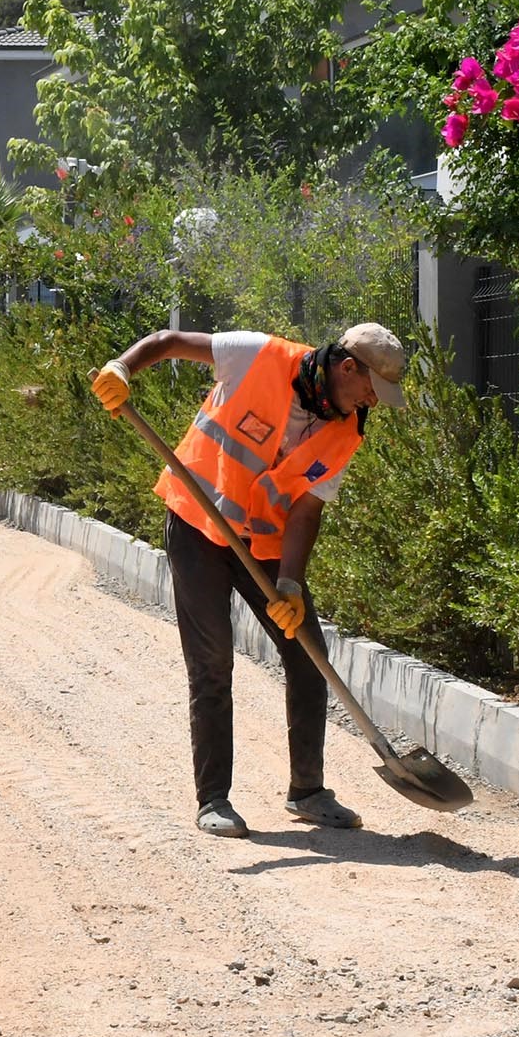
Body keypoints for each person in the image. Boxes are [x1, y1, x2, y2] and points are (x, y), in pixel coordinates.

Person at [90, 323, 409, 838]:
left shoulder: (347, 430)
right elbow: (167, 342)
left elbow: (306, 511)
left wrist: (290, 585)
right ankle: (213, 799)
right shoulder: (259, 355)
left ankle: (308, 791)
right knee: (213, 661)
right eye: (372, 388)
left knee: (308, 655)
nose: (373, 400)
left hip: (259, 546)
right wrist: (123, 367)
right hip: (197, 523)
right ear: (348, 367)